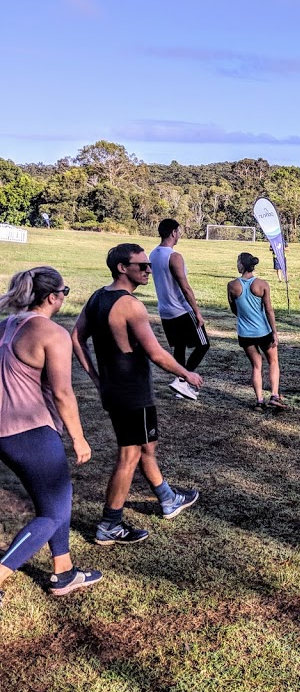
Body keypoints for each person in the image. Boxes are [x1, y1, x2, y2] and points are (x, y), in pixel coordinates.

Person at [71, 244, 203, 545]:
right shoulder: (131, 306)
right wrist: (187, 374)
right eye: (142, 265)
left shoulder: (98, 297)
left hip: (115, 390)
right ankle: (110, 524)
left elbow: (76, 336)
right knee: (130, 455)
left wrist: (95, 377)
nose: (148, 270)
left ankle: (168, 498)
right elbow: (155, 353)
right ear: (122, 268)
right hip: (132, 392)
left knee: (147, 446)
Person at [0, 268, 100, 605]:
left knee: (57, 498)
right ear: (53, 297)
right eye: (65, 291)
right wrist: (79, 438)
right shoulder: (52, 333)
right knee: (54, 513)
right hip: (28, 432)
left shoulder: (5, 326)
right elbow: (62, 393)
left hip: (4, 433)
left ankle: (64, 571)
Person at [149, 218, 209, 400]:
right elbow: (185, 287)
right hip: (181, 310)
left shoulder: (153, 254)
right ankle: (183, 381)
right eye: (179, 231)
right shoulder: (174, 256)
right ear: (174, 232)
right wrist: (197, 312)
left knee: (180, 347)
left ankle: (180, 388)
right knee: (204, 344)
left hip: (165, 311)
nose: (179, 235)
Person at [227, 253, 286, 410]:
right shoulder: (262, 284)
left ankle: (259, 400)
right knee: (273, 362)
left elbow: (234, 308)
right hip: (263, 331)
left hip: (245, 334)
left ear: (241, 265)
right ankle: (274, 395)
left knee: (256, 366)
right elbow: (269, 310)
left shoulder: (232, 285)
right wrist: (274, 331)